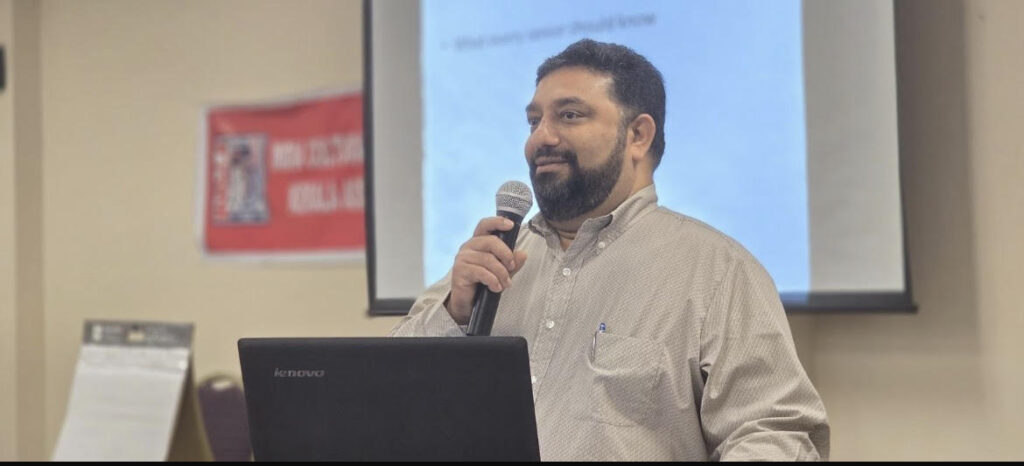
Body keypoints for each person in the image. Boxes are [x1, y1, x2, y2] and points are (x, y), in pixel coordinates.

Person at [390, 39, 829, 461]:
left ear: (638, 135)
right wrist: (455, 314)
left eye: (569, 115)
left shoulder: (719, 272)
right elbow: (386, 398)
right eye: (534, 121)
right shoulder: (490, 266)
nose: (541, 138)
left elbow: (774, 433)